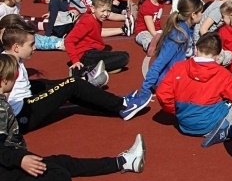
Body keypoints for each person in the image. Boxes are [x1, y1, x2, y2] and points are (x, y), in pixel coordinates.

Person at [0, 53, 145, 181]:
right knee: (60, 175)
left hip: (9, 159)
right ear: (5, 80)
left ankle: (123, 162)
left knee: (65, 162)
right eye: (15, 76)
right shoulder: (1, 108)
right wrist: (21, 160)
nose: (17, 79)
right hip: (7, 163)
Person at [4, 22, 148, 127]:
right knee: (72, 84)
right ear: (16, 47)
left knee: (46, 84)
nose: (34, 48)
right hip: (24, 115)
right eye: (31, 45)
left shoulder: (11, 57)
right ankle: (123, 106)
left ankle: (113, 101)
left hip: (23, 105)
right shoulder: (9, 67)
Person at [156, 33, 232, 146]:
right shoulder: (223, 74)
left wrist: (177, 111)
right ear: (218, 56)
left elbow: (162, 94)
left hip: (184, 123)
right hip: (210, 123)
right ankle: (226, 130)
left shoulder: (178, 67)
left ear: (195, 49)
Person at [64, 0, 130, 79]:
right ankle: (83, 70)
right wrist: (75, 60)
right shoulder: (87, 21)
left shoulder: (96, 18)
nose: (106, 14)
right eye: (103, 11)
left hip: (91, 52)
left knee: (124, 55)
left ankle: (102, 68)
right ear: (93, 9)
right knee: (123, 57)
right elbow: (68, 40)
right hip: (85, 54)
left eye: (108, 11)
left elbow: (97, 34)